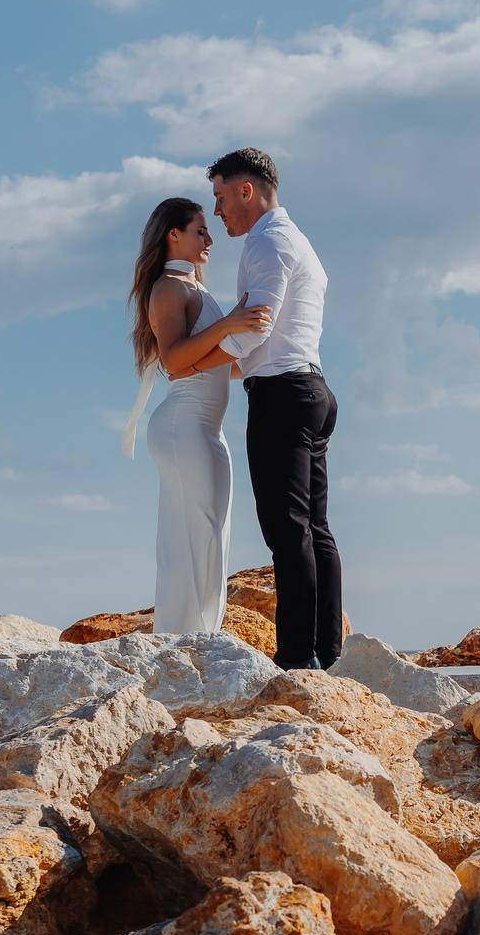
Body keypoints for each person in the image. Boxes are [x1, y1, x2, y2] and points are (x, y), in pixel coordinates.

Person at [208, 147, 340, 670]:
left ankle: (297, 659)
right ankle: (325, 651)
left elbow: (254, 325)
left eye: (221, 198)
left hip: (283, 397)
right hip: (310, 389)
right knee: (315, 529)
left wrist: (195, 363)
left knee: (288, 532)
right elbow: (269, 340)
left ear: (247, 190)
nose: (217, 212)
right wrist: (222, 367)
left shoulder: (268, 241)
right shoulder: (295, 239)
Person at [123, 196, 271, 634]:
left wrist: (273, 350)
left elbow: (216, 364)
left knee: (210, 536)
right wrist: (229, 325)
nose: (210, 239)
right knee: (195, 538)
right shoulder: (170, 288)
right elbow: (174, 360)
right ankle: (183, 642)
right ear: (174, 235)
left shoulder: (196, 289)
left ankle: (197, 639)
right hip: (183, 425)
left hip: (205, 429)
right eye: (199, 231)